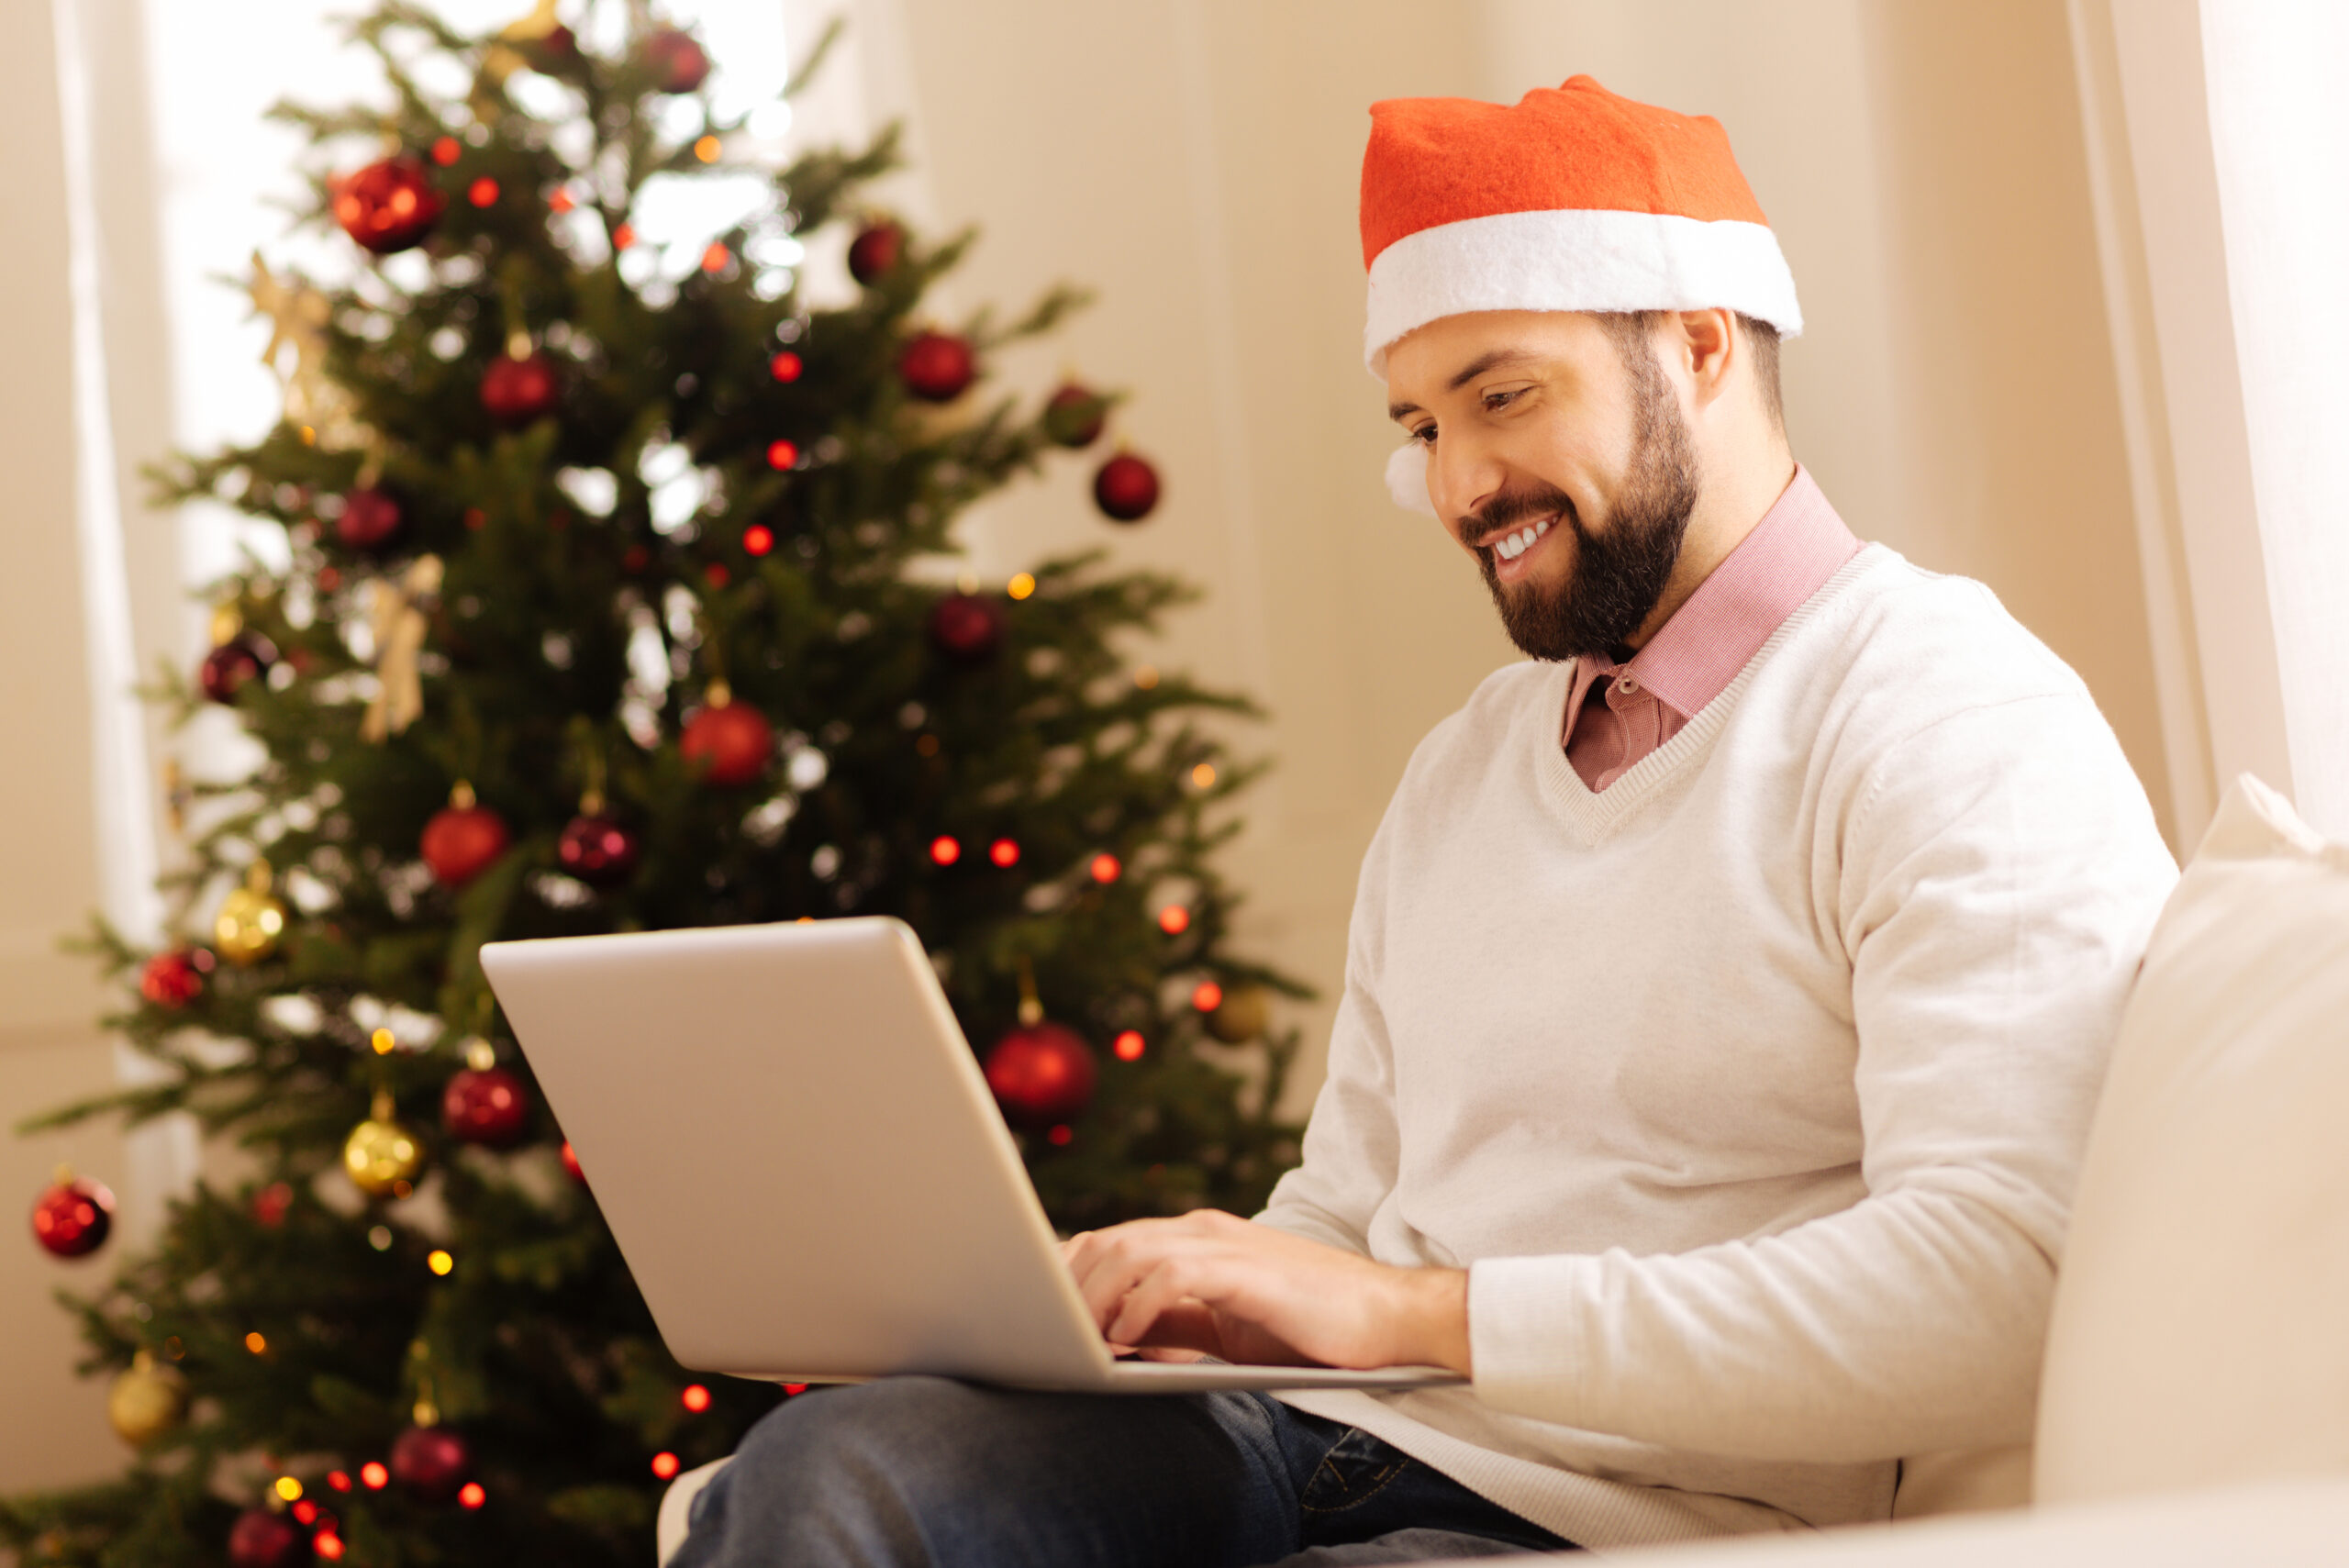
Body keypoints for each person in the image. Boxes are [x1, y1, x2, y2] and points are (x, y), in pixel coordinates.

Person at [673, 75, 2176, 1567]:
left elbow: (1998, 1279)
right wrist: (1222, 1284)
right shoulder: (1467, 768)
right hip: (1299, 1429)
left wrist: (1423, 1317)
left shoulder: (1944, 710)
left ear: (1701, 344)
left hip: (1612, 1513)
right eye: (1420, 421)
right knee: (837, 1470)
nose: (1459, 485)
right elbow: (1355, 1202)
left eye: (1503, 396)